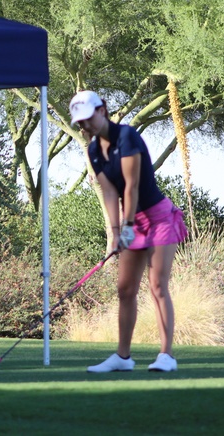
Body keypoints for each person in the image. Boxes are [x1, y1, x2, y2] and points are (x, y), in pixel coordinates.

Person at [69, 90, 187, 373]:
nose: (85, 125)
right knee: (125, 289)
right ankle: (123, 358)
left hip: (158, 218)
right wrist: (114, 233)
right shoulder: (93, 151)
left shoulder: (127, 137)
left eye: (88, 118)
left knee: (157, 286)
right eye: (80, 122)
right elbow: (110, 193)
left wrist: (128, 226)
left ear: (102, 110)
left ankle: (166, 356)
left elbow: (131, 186)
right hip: (132, 220)